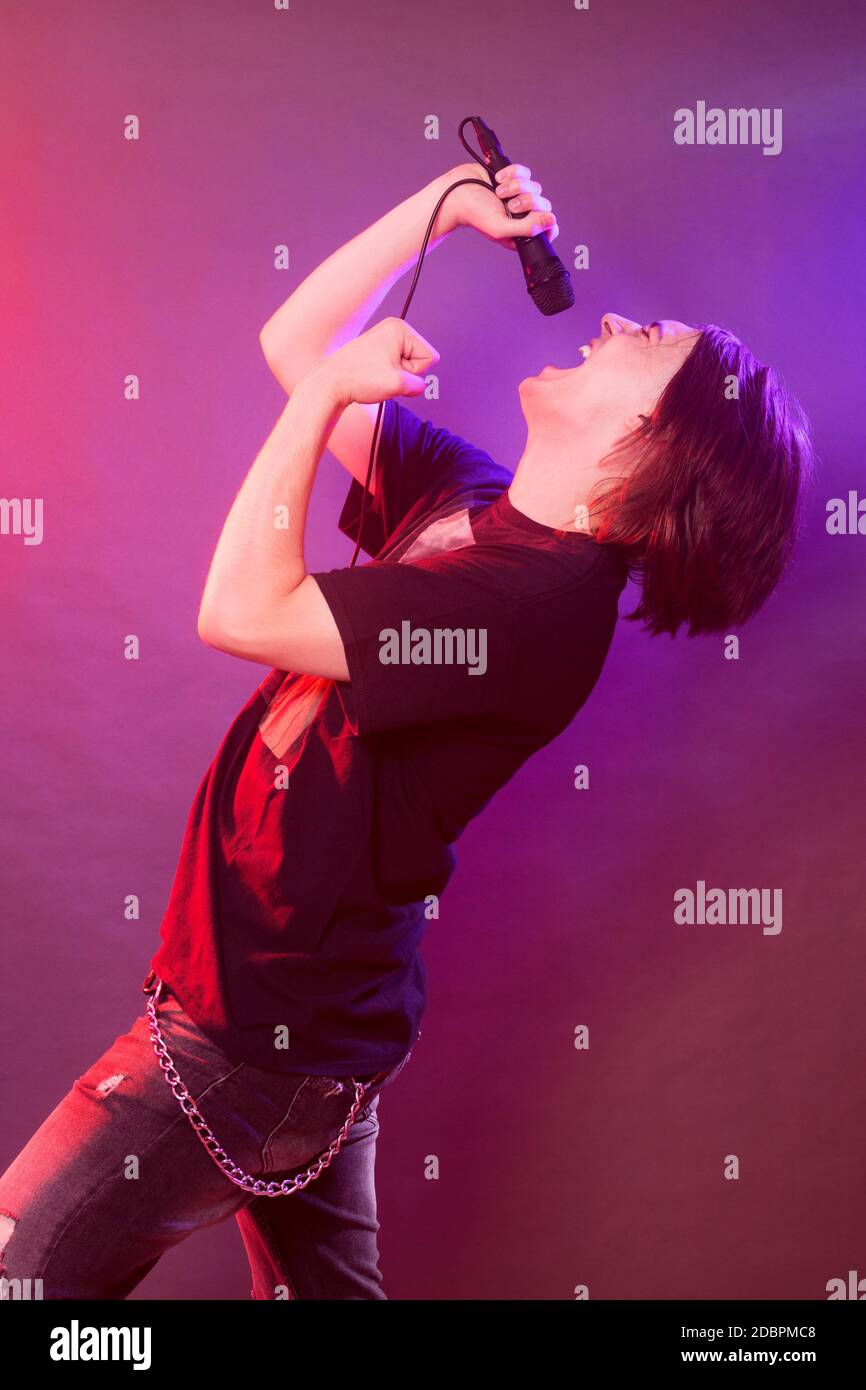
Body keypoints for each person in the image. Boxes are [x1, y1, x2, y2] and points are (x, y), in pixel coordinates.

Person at [0, 161, 813, 1301]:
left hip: (249, 1037)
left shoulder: (532, 612)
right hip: (309, 1029)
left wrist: (323, 399)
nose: (618, 320)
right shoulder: (474, 510)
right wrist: (441, 206)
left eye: (651, 338)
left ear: (651, 434)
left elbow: (237, 609)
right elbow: (298, 338)